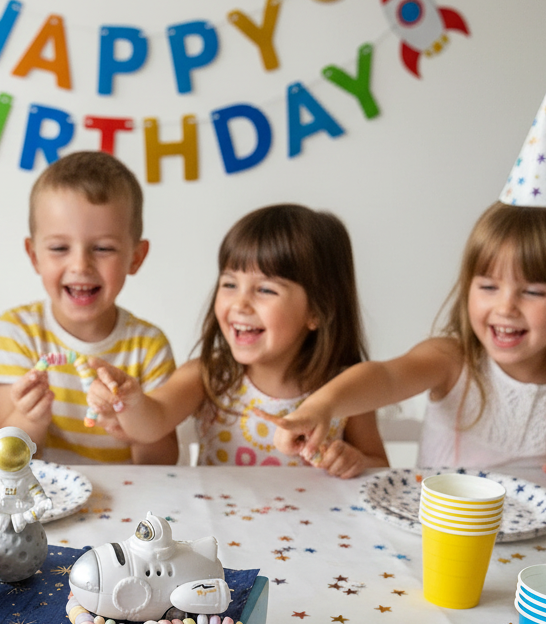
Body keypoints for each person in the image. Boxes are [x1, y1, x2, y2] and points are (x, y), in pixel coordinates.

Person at [263, 98, 546, 484]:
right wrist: (321, 406)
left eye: (533, 292)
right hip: (439, 535)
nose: (506, 306)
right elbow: (385, 377)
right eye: (487, 286)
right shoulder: (451, 360)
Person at [86, 204, 388, 477]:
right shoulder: (208, 375)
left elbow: (378, 464)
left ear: (318, 311)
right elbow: (152, 424)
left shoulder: (345, 390)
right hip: (219, 535)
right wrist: (131, 401)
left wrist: (354, 460)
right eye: (229, 284)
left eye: (266, 290)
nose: (240, 304)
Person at [0, 151, 178, 465]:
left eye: (103, 248)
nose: (80, 265)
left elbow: (163, 464)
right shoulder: (16, 332)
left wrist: (132, 416)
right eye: (59, 248)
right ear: (34, 255)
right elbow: (4, 455)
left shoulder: (149, 347)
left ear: (136, 257)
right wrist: (31, 419)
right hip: (46, 497)